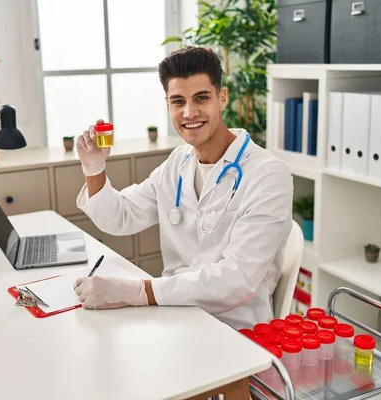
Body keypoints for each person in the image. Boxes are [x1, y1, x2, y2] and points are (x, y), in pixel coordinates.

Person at [73, 46, 293, 329]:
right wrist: (94, 169)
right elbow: (120, 217)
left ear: (222, 98)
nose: (190, 112)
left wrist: (141, 291)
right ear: (167, 105)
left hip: (236, 330)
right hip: (175, 317)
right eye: (178, 102)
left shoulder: (267, 174)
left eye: (201, 98)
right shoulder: (178, 162)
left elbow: (238, 279)